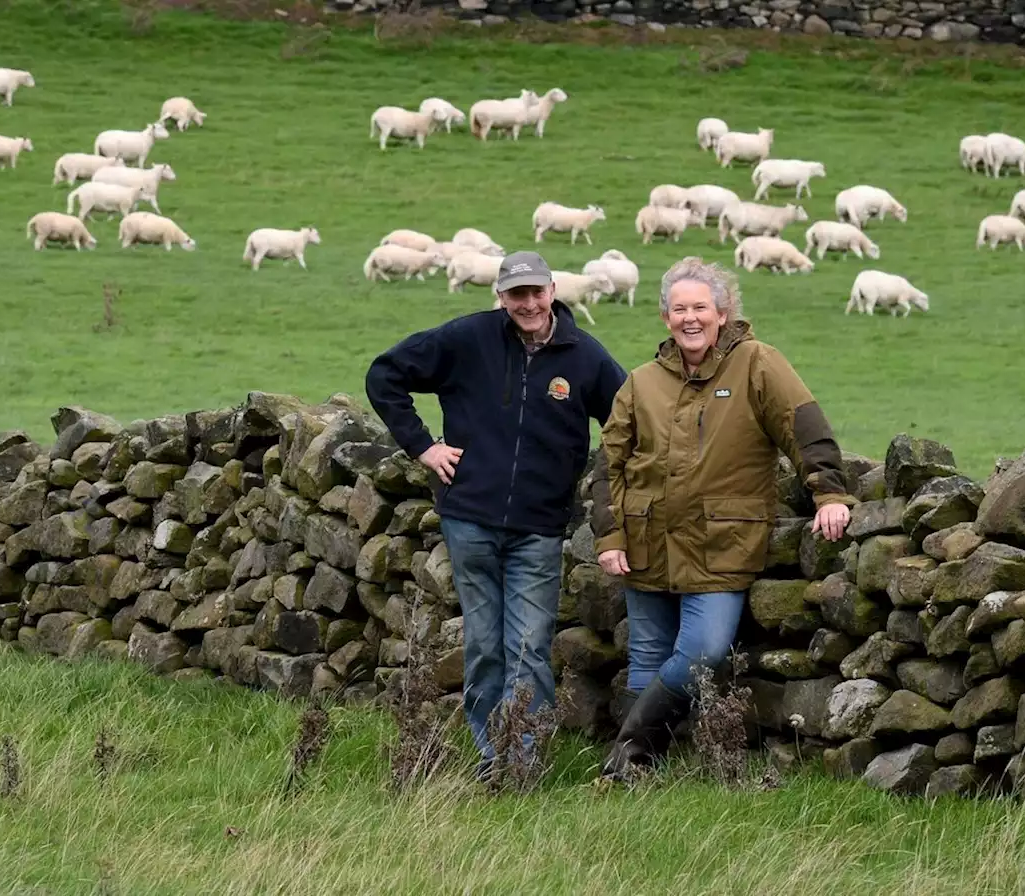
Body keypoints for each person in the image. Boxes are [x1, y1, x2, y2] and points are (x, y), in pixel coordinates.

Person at [589, 256, 856, 780]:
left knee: (703, 655)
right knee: (646, 660)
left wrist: (829, 493)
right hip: (644, 543)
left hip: (721, 544)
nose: (691, 318)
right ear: (665, 317)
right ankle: (637, 780)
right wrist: (609, 535)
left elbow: (803, 425)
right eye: (679, 308)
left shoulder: (758, 363)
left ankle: (625, 761)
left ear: (723, 311)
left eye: (701, 308)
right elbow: (608, 466)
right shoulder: (641, 382)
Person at [364, 250, 626, 779]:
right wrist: (424, 447)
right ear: (500, 297)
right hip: (470, 517)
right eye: (516, 294)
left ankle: (523, 760)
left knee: (529, 645)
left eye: (536, 292)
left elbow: (627, 421)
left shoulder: (585, 357)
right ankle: (491, 754)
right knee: (484, 645)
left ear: (553, 291)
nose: (528, 303)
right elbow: (384, 375)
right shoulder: (467, 339)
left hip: (539, 524)